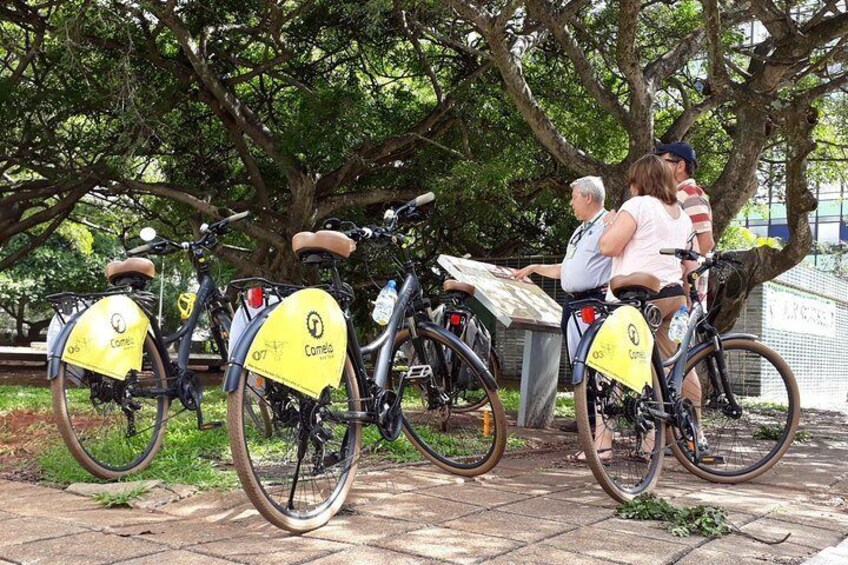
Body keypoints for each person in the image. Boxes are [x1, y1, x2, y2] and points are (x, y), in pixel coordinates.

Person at [587, 154, 695, 461]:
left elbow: (608, 246)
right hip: (672, 296)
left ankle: (603, 444)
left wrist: (610, 224)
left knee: (607, 370)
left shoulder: (637, 205)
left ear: (639, 181)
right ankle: (650, 445)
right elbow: (687, 263)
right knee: (657, 371)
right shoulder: (680, 214)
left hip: (637, 297)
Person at [511, 176, 613, 433]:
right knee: (577, 360)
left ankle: (598, 419)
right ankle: (585, 416)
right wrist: (535, 268)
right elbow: (567, 269)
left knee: (594, 361)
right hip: (572, 302)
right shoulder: (580, 230)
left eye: (574, 197)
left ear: (589, 197)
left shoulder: (608, 224)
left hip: (594, 300)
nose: (571, 203)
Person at [656, 141, 714, 300]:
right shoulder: (673, 195)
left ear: (680, 166)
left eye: (662, 162)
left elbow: (706, 242)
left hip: (685, 290)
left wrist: (683, 274)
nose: (657, 167)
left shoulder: (690, 193)